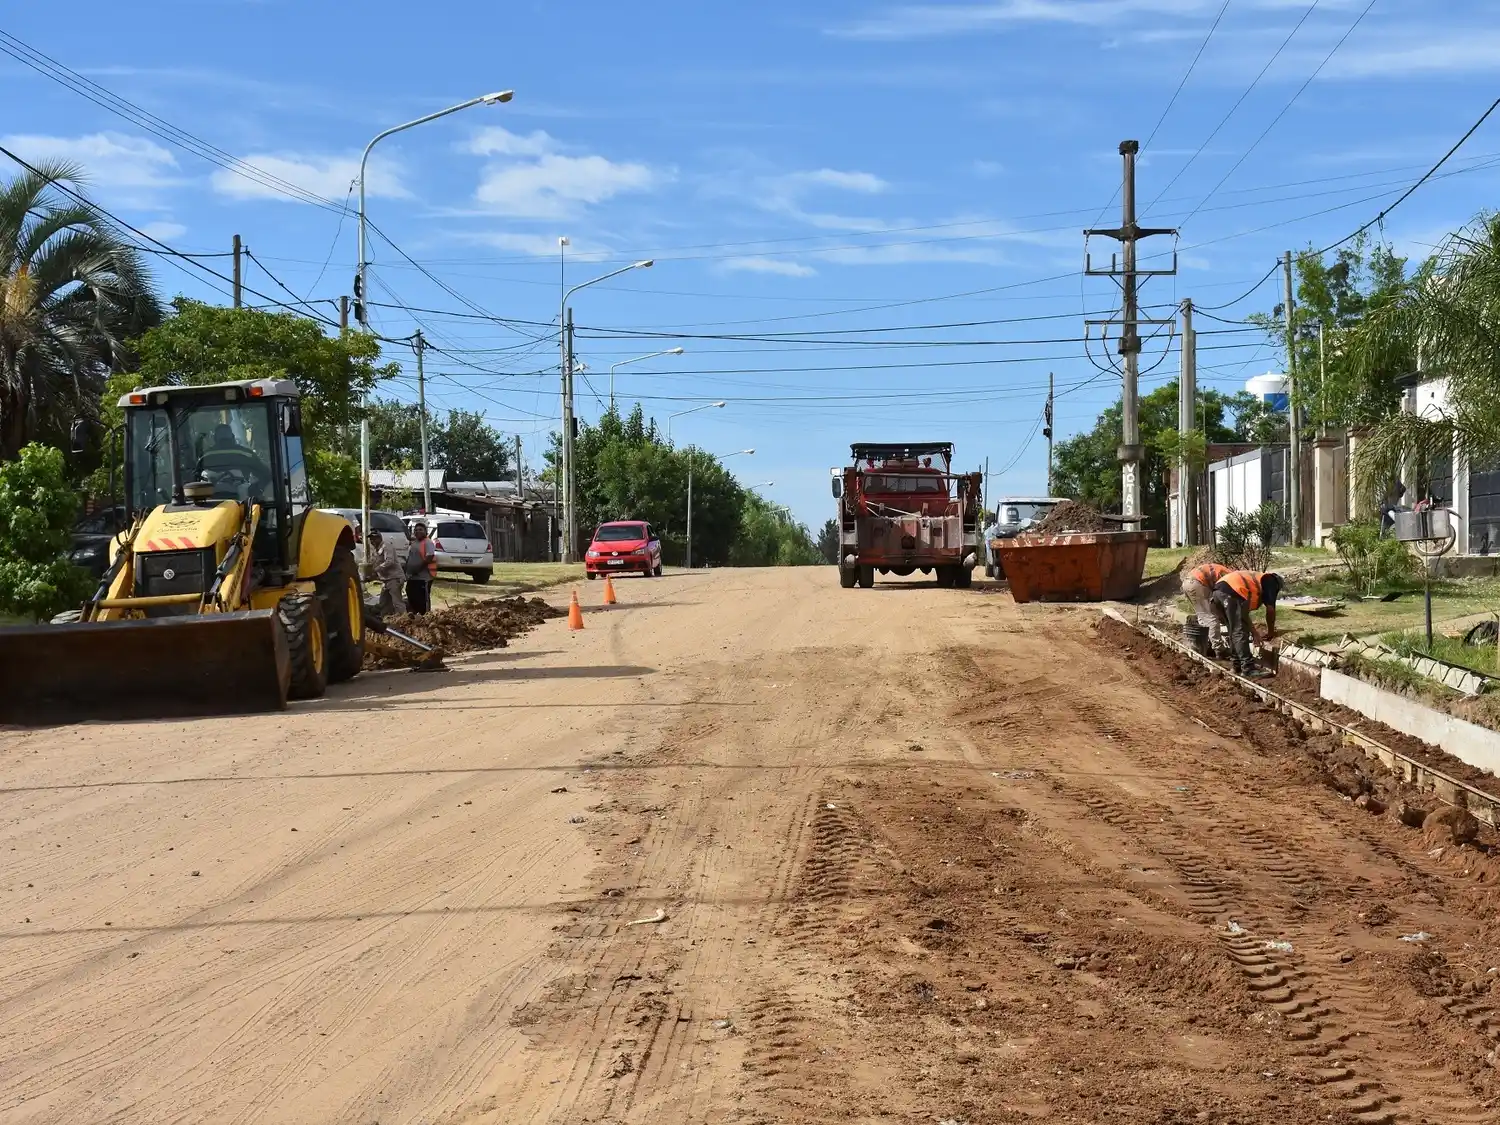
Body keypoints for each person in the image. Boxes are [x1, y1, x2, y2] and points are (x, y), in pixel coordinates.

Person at [1210, 570, 1284, 678]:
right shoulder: (1271, 581)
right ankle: (1248, 669)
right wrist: (1271, 632)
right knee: (1239, 632)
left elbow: (1243, 617)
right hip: (1232, 592)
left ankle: (1237, 666)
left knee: (1233, 630)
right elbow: (1271, 610)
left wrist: (1254, 632)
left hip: (1217, 593)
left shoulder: (1253, 582)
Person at [1181, 561, 1231, 656]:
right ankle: (1219, 649)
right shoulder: (1229, 578)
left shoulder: (1228, 574)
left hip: (1188, 583)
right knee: (1211, 618)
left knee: (1203, 616)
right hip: (1197, 583)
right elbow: (1223, 599)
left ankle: (1204, 644)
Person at [366, 529, 406, 616]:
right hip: (386, 580)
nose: (372, 541)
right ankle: (387, 622)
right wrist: (370, 575)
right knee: (383, 603)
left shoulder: (386, 546)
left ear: (380, 538)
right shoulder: (376, 551)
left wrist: (376, 569)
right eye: (371, 539)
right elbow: (373, 564)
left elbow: (389, 561)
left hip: (394, 578)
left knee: (397, 602)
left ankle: (405, 620)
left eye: (374, 539)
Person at [406, 521, 437, 615]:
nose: (418, 531)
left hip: (424, 577)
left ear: (425, 531)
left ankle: (425, 616)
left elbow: (429, 557)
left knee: (422, 598)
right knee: (410, 593)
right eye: (416, 530)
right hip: (412, 576)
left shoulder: (428, 542)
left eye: (420, 530)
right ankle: (416, 614)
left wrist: (418, 569)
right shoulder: (414, 543)